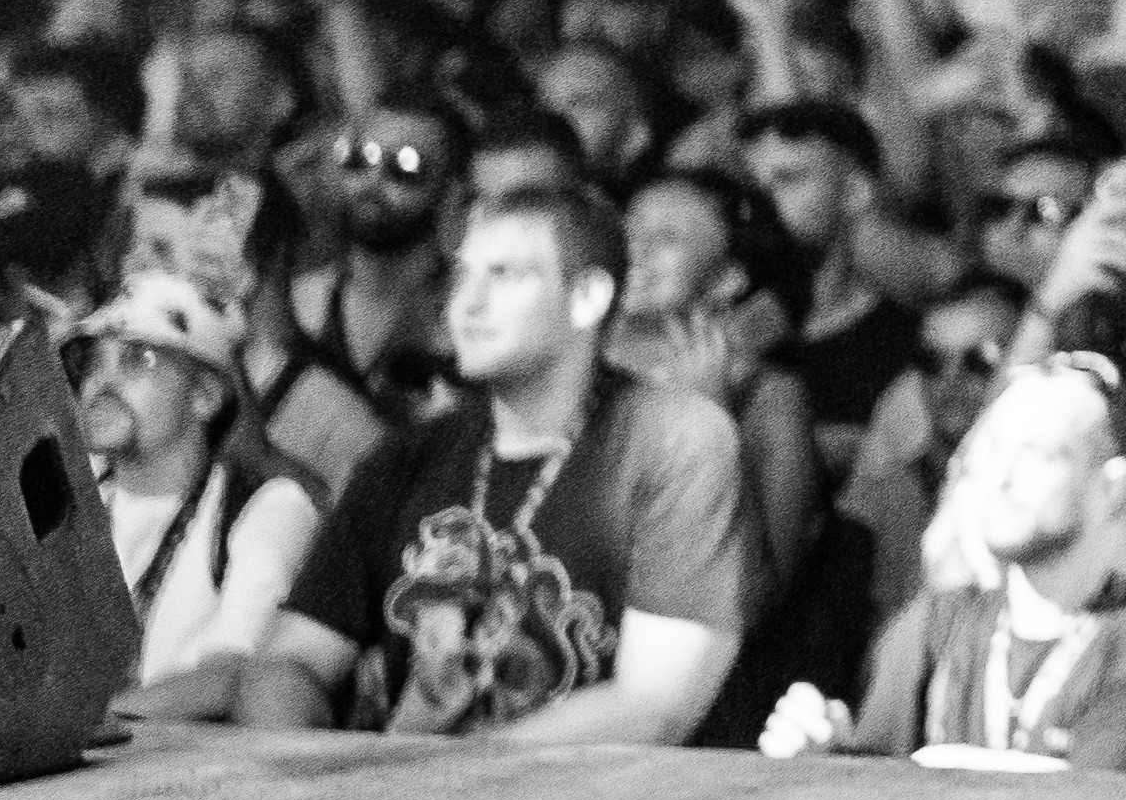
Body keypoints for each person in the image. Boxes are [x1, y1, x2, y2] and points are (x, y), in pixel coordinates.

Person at [251, 178, 753, 745]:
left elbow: (656, 705)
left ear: (587, 298)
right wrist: (308, 776)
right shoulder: (406, 456)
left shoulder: (671, 438)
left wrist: (431, 776)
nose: (467, 303)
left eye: (506, 275)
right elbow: (288, 661)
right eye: (461, 275)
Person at [777, 338, 1126, 770]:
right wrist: (828, 754)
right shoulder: (933, 622)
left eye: (1037, 454)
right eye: (991, 450)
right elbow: (875, 794)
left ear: (1110, 488)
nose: (1000, 476)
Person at [64, 264, 316, 722]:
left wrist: (77, 726)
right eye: (91, 363)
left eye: (137, 359)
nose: (101, 384)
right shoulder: (62, 498)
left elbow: (229, 677)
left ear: (204, 395)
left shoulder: (269, 503)